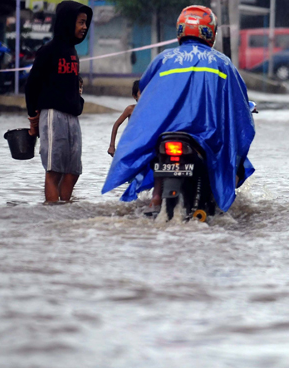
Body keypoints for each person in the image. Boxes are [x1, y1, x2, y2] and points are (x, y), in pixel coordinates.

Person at [101, 5, 255, 215]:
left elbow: (145, 90)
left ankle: (156, 200)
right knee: (230, 156)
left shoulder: (163, 59)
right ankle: (217, 200)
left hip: (166, 135)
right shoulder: (223, 63)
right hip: (204, 137)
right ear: (211, 32)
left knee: (153, 154)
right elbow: (239, 104)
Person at [25, 1, 92, 203]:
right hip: (53, 115)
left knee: (73, 171)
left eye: (86, 23)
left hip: (73, 116)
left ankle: (64, 213)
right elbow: (31, 85)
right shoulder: (48, 50)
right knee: (54, 170)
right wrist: (33, 117)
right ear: (67, 22)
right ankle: (52, 214)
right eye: (80, 22)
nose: (84, 27)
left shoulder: (72, 51)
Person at [108, 80, 140, 157]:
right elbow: (116, 124)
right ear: (134, 96)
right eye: (141, 93)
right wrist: (112, 146)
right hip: (131, 143)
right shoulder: (130, 109)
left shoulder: (151, 109)